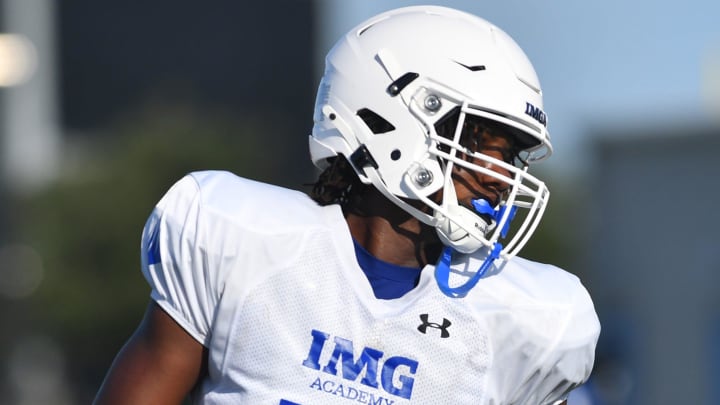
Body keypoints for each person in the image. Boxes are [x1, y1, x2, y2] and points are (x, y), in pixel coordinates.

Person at [94, 5, 600, 405]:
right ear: (387, 115)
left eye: (509, 155)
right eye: (475, 142)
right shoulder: (241, 240)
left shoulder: (526, 318)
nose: (500, 176)